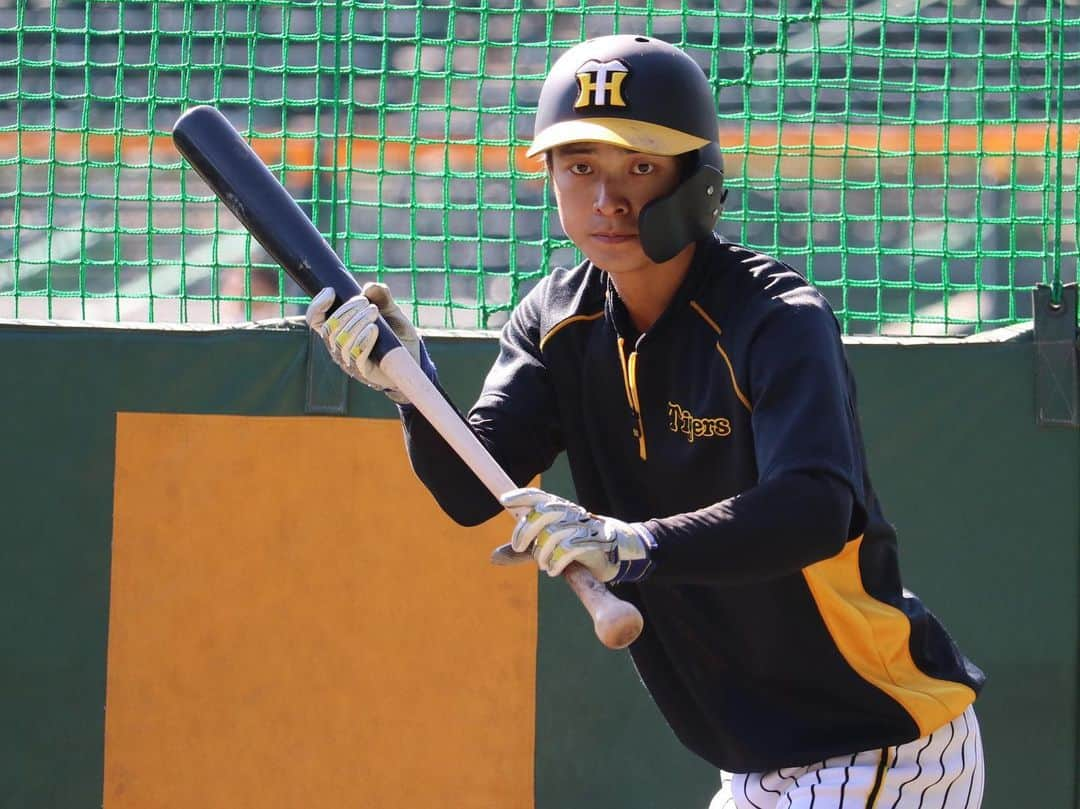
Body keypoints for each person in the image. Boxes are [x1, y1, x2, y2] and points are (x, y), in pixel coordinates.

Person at [306, 35, 986, 809]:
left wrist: (635, 543)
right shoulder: (554, 320)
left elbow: (814, 508)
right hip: (759, 762)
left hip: (876, 740)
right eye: (581, 167)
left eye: (640, 166)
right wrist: (411, 386)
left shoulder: (772, 317)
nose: (608, 200)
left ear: (696, 176)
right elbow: (474, 487)